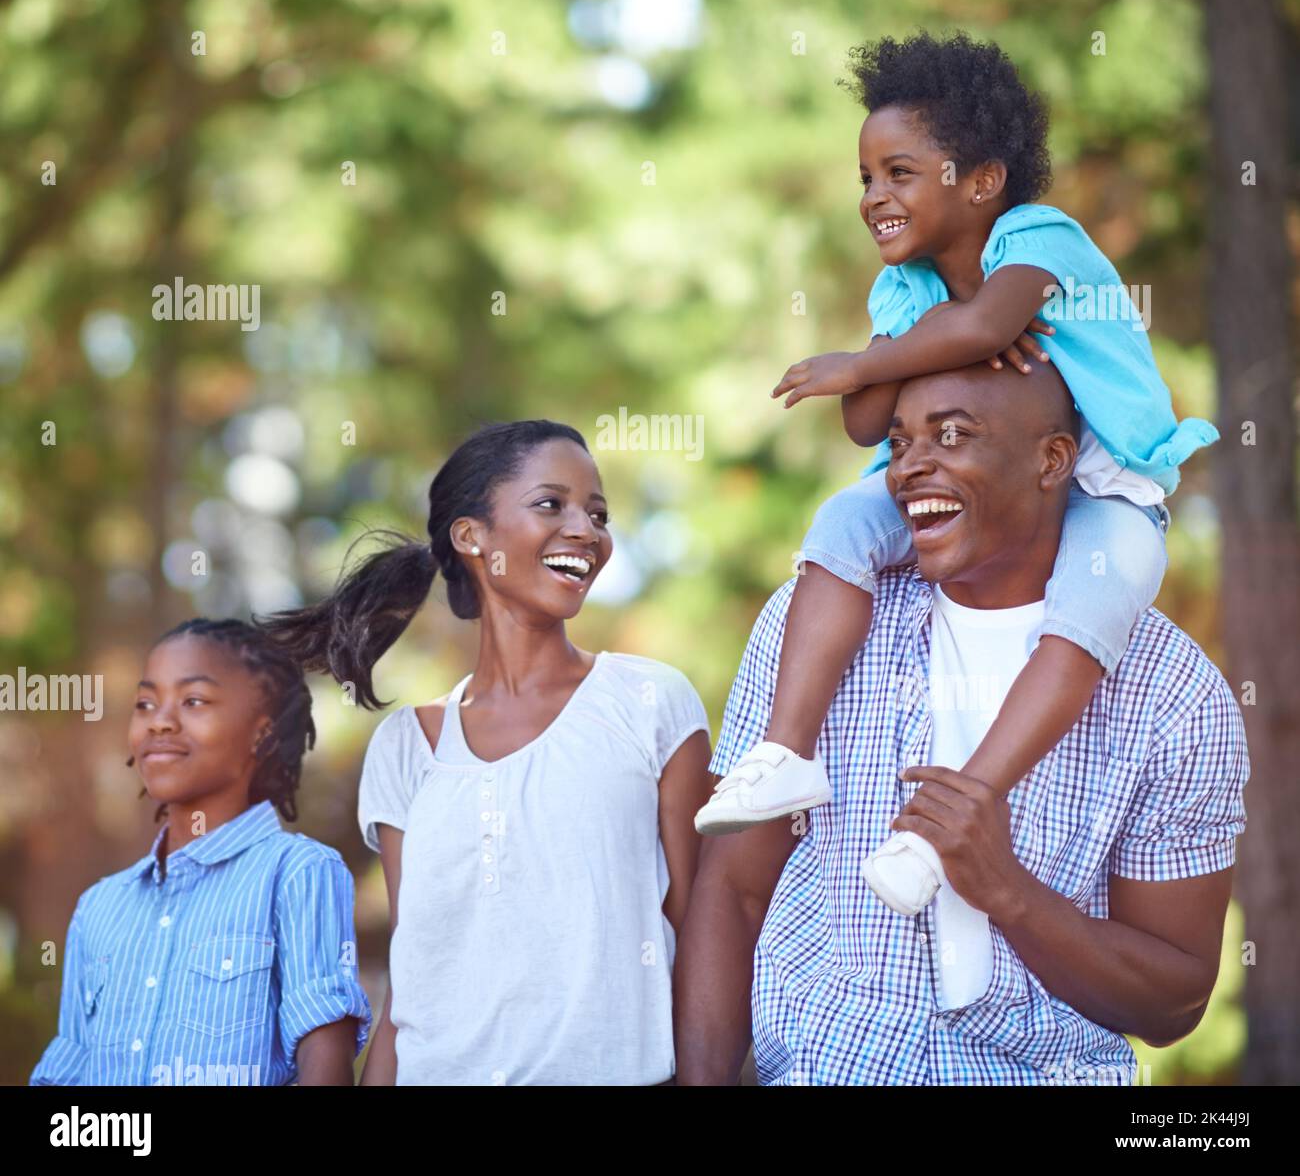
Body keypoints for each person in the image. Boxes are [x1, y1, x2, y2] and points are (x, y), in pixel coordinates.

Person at [694, 32, 1218, 924]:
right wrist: (896, 354)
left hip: (1100, 476)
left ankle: (951, 819)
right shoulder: (904, 289)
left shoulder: (1041, 236)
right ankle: (785, 751)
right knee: (839, 529)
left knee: (1092, 610)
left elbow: (983, 331)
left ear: (978, 182)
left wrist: (877, 358)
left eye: (899, 172)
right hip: (970, 475)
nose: (873, 197)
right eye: (864, 178)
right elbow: (870, 425)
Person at [675, 360, 1248, 1085]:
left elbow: (1176, 1002)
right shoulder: (814, 628)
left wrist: (1008, 892)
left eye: (952, 436)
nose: (912, 466)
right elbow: (732, 890)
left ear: (1052, 460)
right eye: (902, 441)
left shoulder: (1174, 694)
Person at [259, 420, 713, 1085]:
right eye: (551, 504)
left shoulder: (650, 703)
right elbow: (412, 984)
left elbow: (701, 931)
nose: (585, 529)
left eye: (598, 513)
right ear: (472, 537)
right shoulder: (407, 748)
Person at [30, 619, 370, 1086]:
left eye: (194, 701)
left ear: (261, 732)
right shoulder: (99, 908)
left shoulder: (297, 875)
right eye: (145, 703)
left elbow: (325, 1067)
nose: (160, 720)